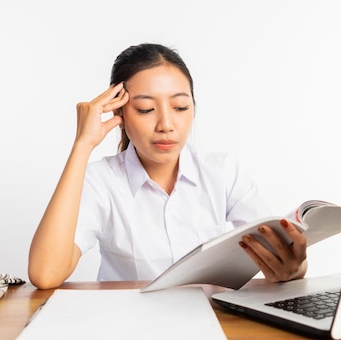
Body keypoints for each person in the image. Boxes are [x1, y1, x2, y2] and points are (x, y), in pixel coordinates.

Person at [28, 43, 307, 290]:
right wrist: (83, 145)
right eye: (146, 110)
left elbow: (279, 251)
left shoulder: (222, 172)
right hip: (130, 329)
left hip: (211, 323)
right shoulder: (102, 181)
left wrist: (295, 268)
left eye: (180, 107)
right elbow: (45, 274)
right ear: (120, 113)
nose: (166, 125)